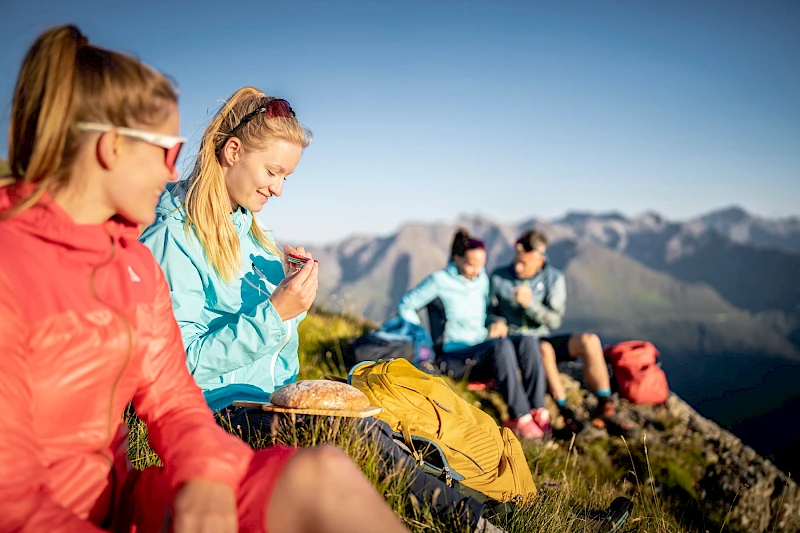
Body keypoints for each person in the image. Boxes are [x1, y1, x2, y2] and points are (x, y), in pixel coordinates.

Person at [0, 25, 409, 533]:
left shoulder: (130, 266)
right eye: (168, 153)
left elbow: (172, 400)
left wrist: (208, 476)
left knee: (324, 473)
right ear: (110, 149)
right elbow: (11, 503)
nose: (174, 173)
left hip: (123, 501)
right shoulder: (11, 272)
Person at [139, 88, 501, 533]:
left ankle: (472, 497)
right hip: (214, 411)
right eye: (273, 172)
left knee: (375, 411)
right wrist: (275, 312)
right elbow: (177, 367)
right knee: (350, 432)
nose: (278, 188)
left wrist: (291, 296)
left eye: (287, 177)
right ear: (232, 151)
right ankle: (473, 521)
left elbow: (269, 341)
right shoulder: (171, 237)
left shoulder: (250, 231)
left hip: (270, 399)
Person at [396, 229, 550, 441]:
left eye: (481, 265)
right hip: (452, 356)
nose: (477, 270)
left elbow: (488, 312)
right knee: (500, 345)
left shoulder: (482, 279)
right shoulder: (439, 281)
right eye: (471, 264)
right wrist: (419, 335)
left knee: (527, 340)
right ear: (456, 258)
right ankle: (520, 418)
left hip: (480, 349)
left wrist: (496, 322)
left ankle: (538, 410)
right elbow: (406, 304)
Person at [487, 229, 634, 436]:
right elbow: (489, 311)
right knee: (544, 349)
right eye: (517, 260)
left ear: (539, 258)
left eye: (525, 263)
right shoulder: (499, 277)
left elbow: (555, 319)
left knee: (590, 341)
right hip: (517, 342)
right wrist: (497, 322)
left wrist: (531, 305)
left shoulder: (553, 278)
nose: (518, 266)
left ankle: (605, 405)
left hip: (543, 334)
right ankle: (565, 411)